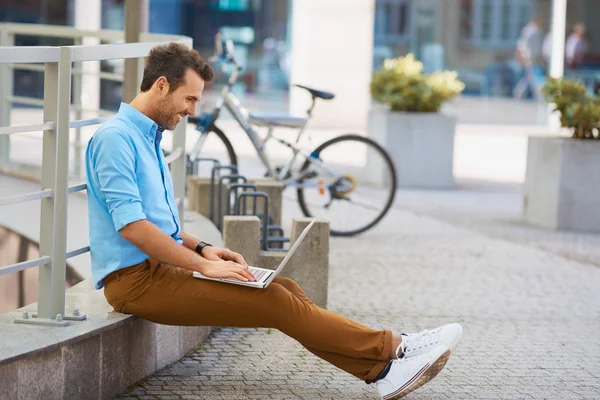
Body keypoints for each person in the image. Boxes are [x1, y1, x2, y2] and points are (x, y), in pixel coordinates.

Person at [85, 42, 463, 399]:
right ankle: (395, 346)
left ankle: (383, 372)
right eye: (190, 99)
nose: (193, 111)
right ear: (162, 85)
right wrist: (203, 267)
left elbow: (156, 223)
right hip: (135, 283)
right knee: (277, 301)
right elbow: (133, 227)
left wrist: (204, 247)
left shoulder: (147, 138)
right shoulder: (116, 139)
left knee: (285, 288)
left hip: (161, 269)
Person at [513, 17, 546, 101]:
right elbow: (523, 44)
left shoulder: (535, 31)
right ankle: (538, 95)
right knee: (532, 77)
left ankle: (518, 93)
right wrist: (524, 56)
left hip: (531, 57)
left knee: (528, 77)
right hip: (528, 57)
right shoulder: (530, 31)